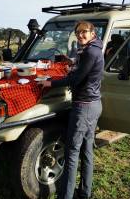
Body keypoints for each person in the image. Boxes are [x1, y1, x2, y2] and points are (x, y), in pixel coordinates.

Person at [39, 20, 104, 199]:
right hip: (94, 104)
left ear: (93, 33)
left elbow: (75, 80)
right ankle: (84, 193)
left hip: (83, 107)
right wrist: (72, 65)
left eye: (84, 32)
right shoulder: (93, 49)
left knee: (73, 152)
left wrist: (49, 82)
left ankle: (65, 196)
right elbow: (82, 71)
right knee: (87, 149)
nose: (80, 35)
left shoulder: (90, 51)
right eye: (77, 33)